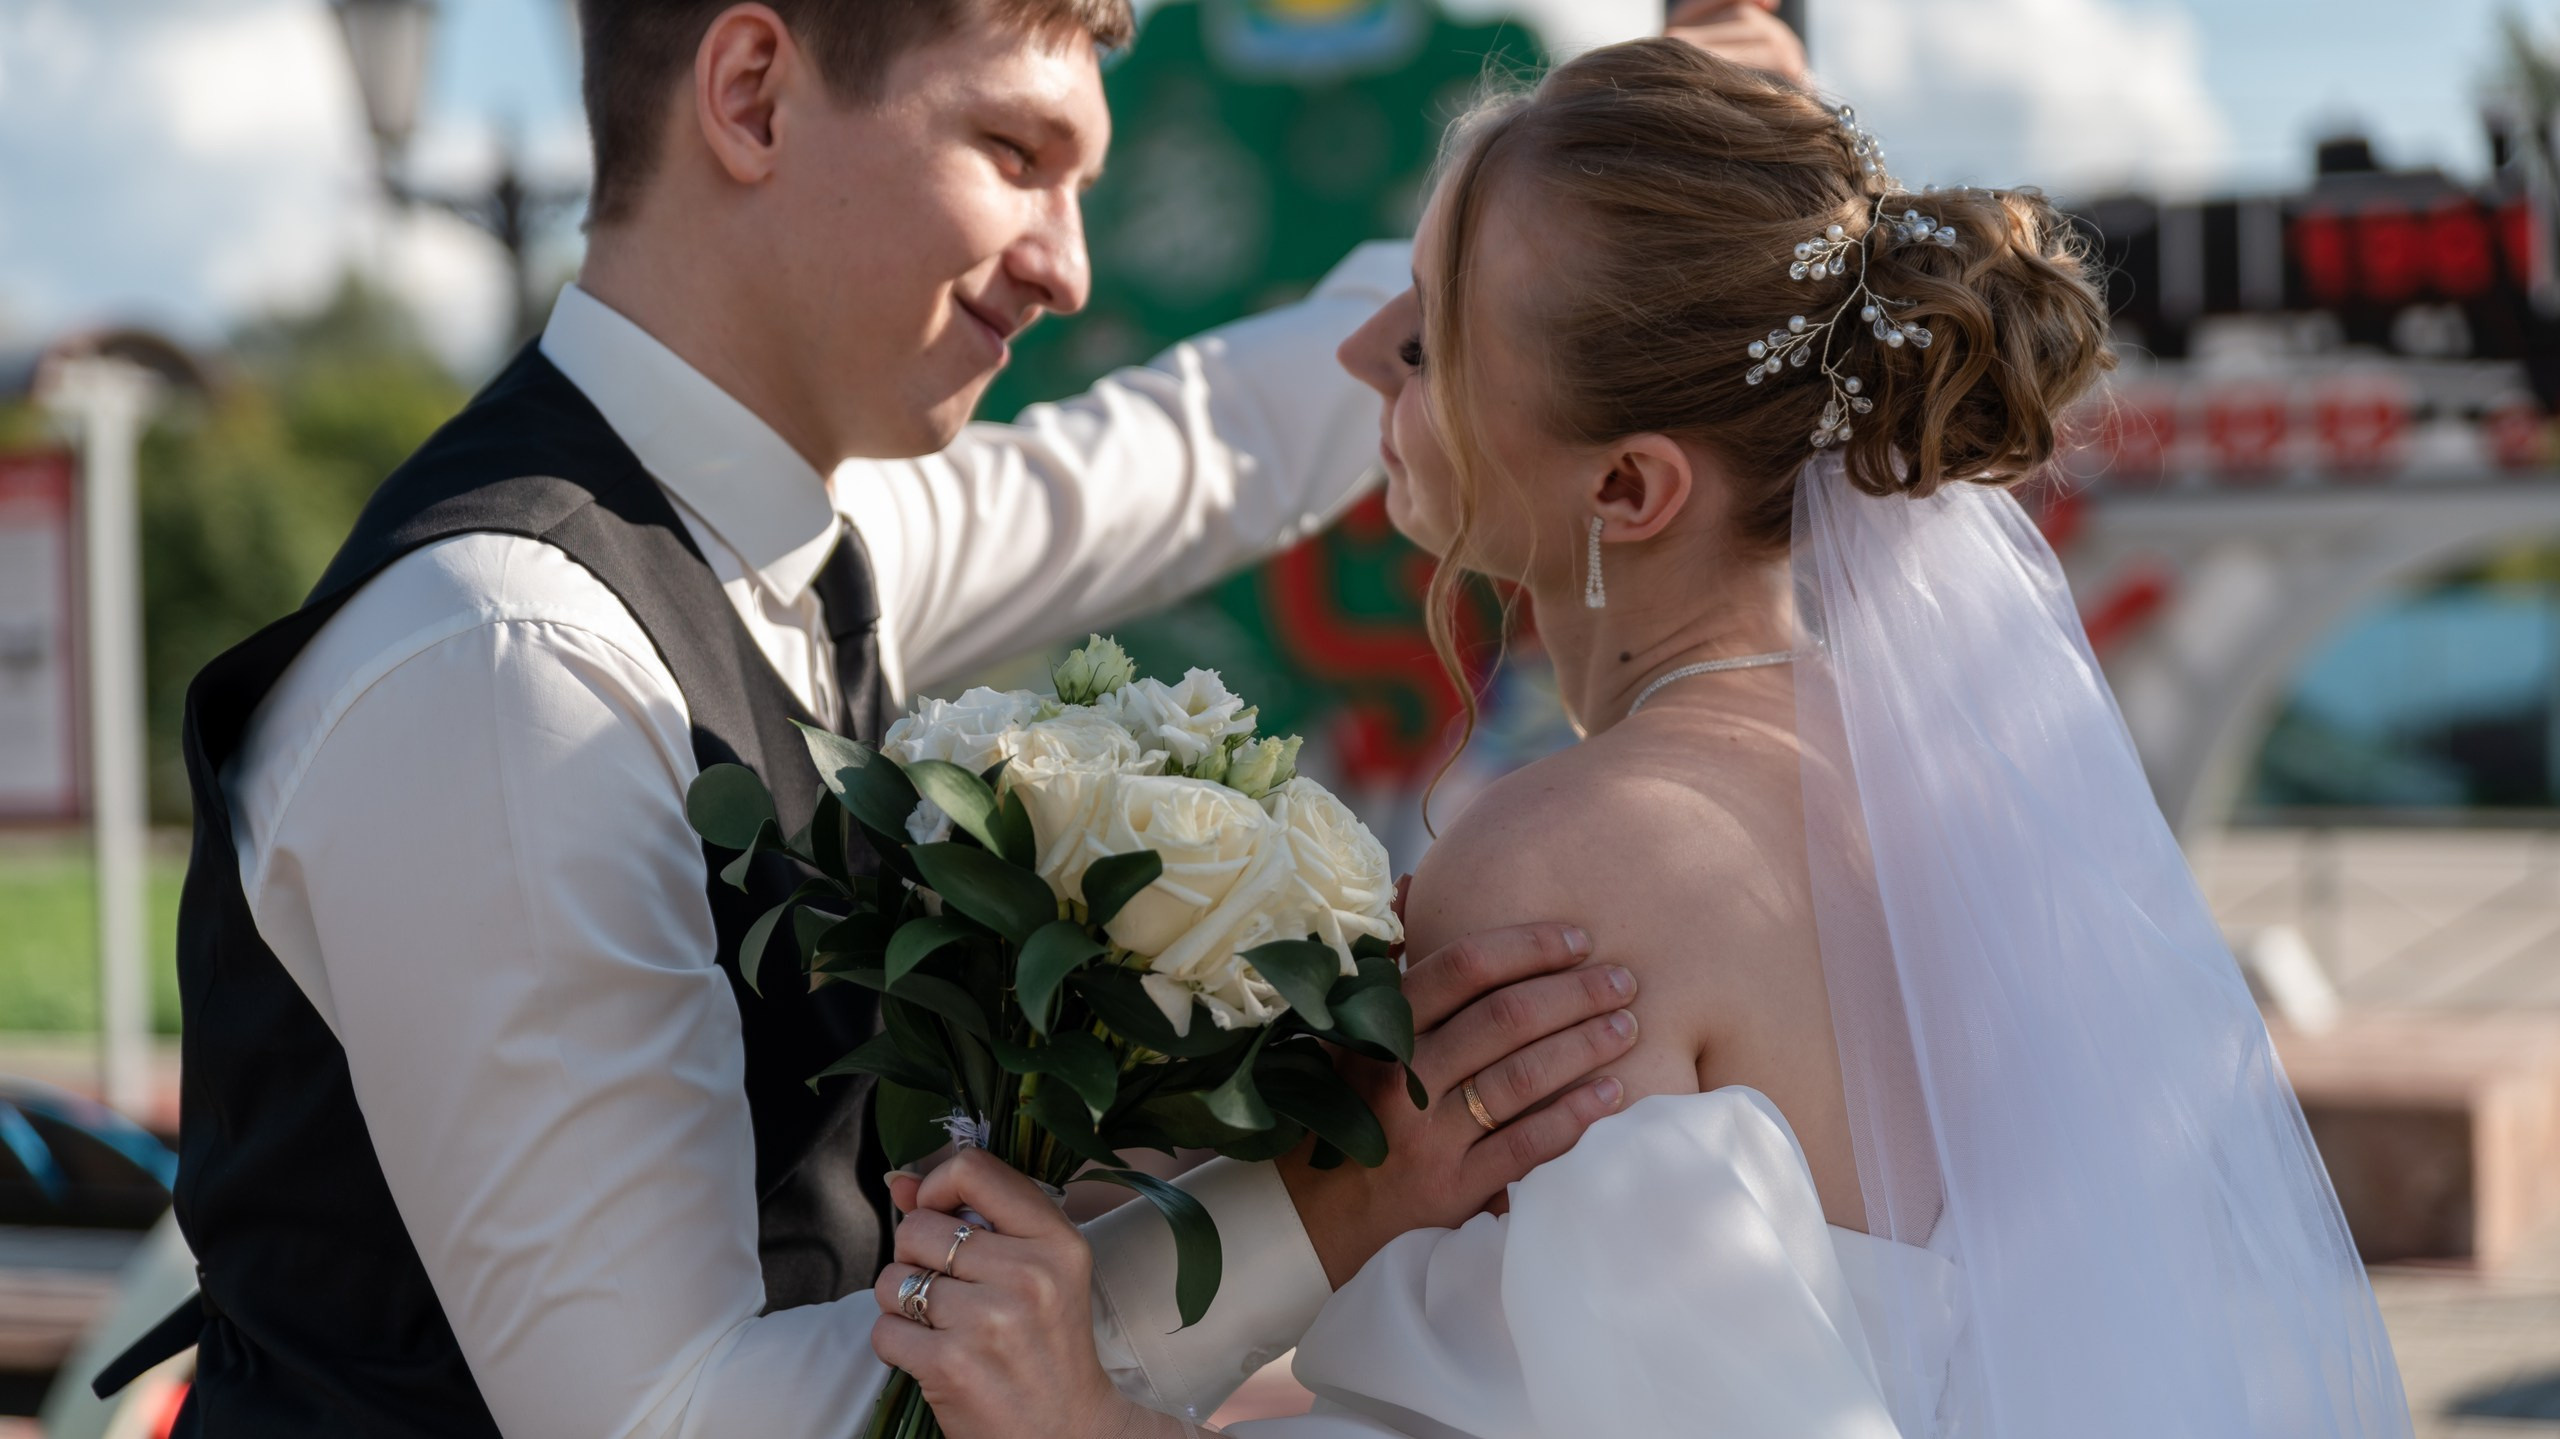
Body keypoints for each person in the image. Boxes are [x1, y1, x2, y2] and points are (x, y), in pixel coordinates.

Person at [88, 3, 1834, 1433]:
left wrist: (1590, 255)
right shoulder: (504, 667)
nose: (1065, 265)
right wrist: (1330, 1207)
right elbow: (671, 1424)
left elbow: (1189, 447)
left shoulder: (791, 539)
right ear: (755, 93)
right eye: (1014, 155)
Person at [863, 40, 2419, 1439]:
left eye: (1423, 343)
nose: (1359, 362)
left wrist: (1073, 1412)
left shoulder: (1563, 875)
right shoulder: (1948, 802)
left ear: (1628, 492)